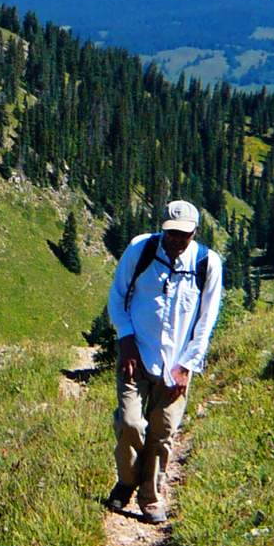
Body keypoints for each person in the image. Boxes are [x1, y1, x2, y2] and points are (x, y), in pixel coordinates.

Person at [103, 199, 223, 524]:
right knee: (129, 424)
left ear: (194, 232)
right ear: (162, 228)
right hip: (136, 354)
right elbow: (117, 296)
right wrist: (125, 338)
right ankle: (127, 480)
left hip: (177, 364)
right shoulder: (140, 251)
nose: (175, 239)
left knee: (163, 432)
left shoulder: (206, 264)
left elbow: (206, 321)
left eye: (183, 234)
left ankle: (150, 497)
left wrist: (187, 365)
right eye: (170, 232)